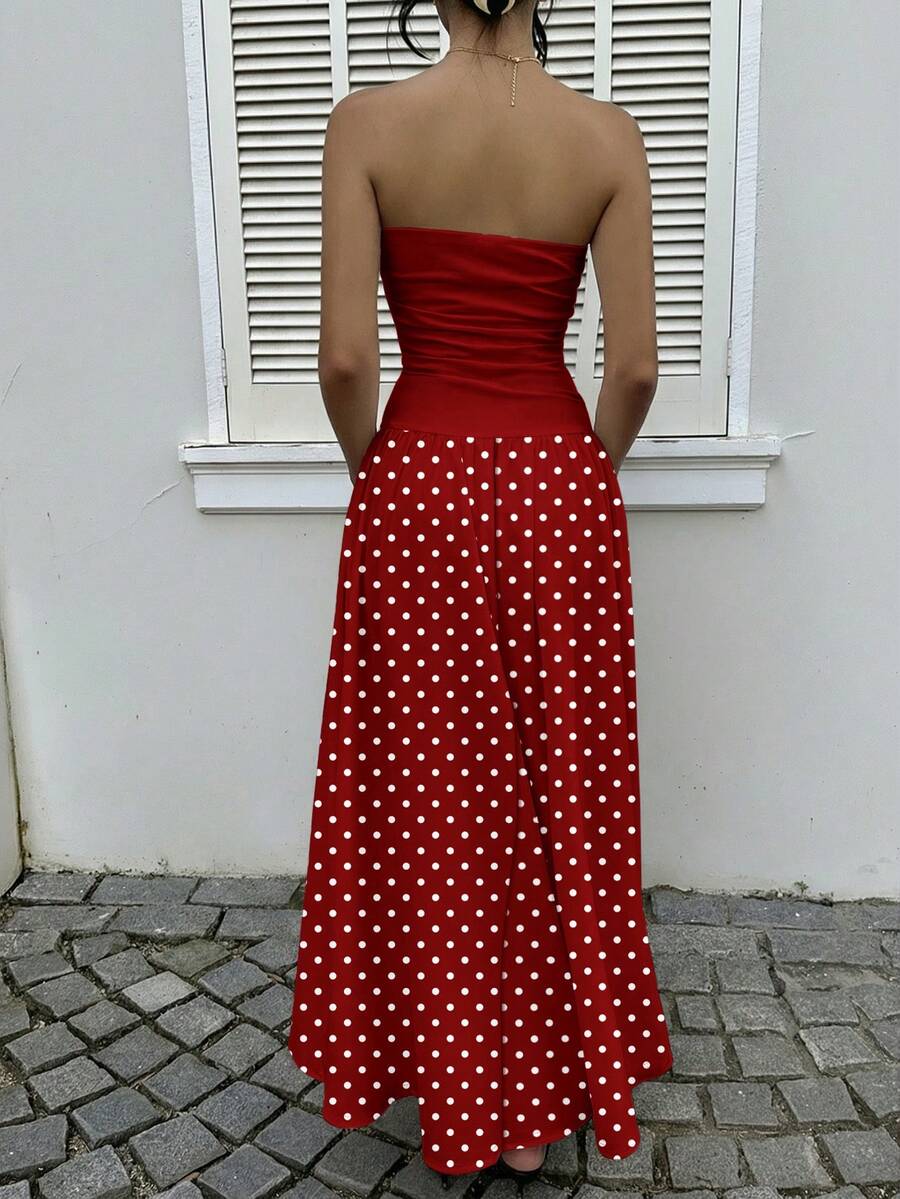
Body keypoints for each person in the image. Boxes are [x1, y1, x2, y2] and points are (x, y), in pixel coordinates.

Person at [288, 0, 673, 1179]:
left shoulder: (365, 125)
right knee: (563, 788)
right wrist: (583, 472)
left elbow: (345, 359)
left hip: (418, 481)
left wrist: (381, 471)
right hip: (558, 483)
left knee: (436, 792)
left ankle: (457, 1083)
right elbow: (636, 367)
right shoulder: (607, 136)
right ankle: (540, 1097)